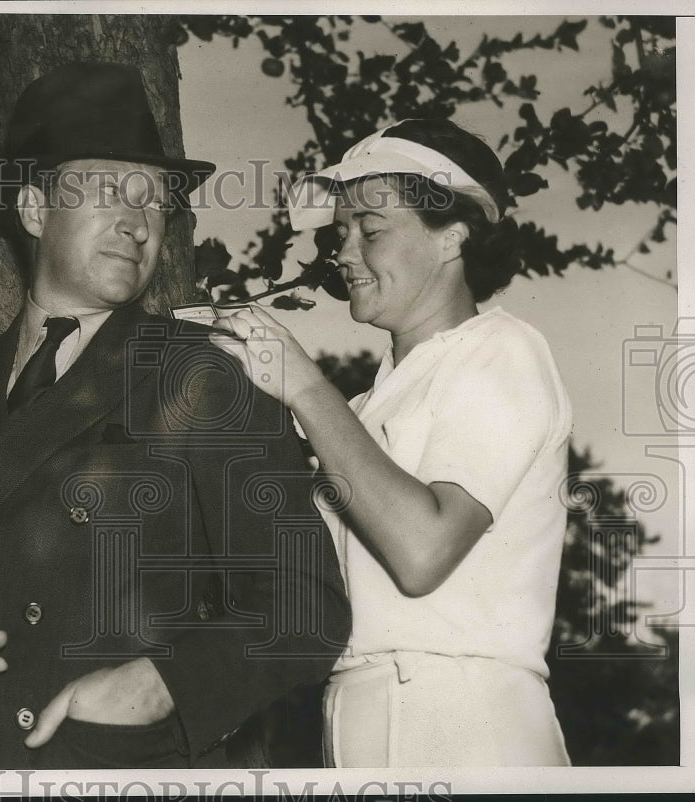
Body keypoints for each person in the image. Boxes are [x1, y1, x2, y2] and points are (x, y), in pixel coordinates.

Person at [0, 62, 350, 770]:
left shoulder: (202, 373)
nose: (136, 223)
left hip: (124, 766)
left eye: (155, 201)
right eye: (106, 192)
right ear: (34, 211)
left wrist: (164, 685)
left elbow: (304, 603)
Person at [212, 118, 573, 767]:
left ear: (452, 235)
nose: (343, 252)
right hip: (353, 714)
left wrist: (304, 388)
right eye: (340, 233)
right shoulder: (362, 410)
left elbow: (423, 549)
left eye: (371, 230)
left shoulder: (502, 351)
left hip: (464, 718)